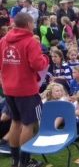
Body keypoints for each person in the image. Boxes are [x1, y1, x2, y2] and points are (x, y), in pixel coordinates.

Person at [0, 12, 49, 167]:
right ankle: (24, 162)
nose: (33, 25)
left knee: (16, 121)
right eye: (32, 23)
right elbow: (38, 64)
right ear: (28, 24)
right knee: (28, 124)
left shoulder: (3, 40)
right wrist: (45, 58)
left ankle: (15, 160)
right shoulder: (30, 41)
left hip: (9, 88)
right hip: (26, 89)